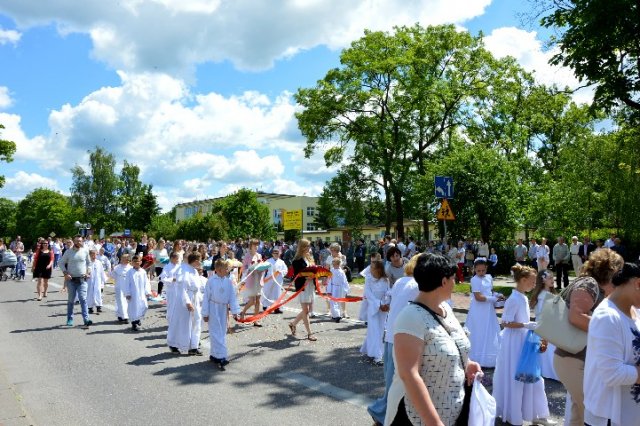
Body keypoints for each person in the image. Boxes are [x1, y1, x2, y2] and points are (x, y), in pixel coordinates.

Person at [385, 253, 482, 425]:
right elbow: (409, 374)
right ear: (444, 281)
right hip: (420, 418)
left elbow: (445, 346)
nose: (455, 283)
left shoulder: (445, 309)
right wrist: (434, 422)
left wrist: (467, 363)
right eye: (453, 278)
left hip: (454, 410)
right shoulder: (410, 318)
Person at [554, 248, 624, 426]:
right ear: (611, 270)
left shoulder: (591, 284)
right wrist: (609, 329)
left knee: (579, 412)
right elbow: (576, 316)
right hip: (573, 359)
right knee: (589, 411)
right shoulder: (589, 284)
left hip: (575, 358)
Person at [492, 264, 555, 425]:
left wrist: (530, 328)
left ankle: (536, 413)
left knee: (534, 375)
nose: (534, 285)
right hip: (514, 342)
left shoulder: (523, 297)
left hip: (524, 339)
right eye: (532, 282)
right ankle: (514, 413)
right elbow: (505, 322)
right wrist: (525, 325)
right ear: (523, 280)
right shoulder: (513, 299)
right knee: (519, 377)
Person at [583, 262, 640, 426]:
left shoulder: (635, 311)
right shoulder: (607, 317)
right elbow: (612, 373)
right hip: (608, 417)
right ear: (638, 283)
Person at [367, 254, 420, 426]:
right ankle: (382, 414)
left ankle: (382, 414)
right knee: (397, 384)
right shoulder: (417, 285)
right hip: (402, 337)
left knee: (392, 381)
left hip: (392, 335)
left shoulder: (401, 281)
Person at [203, 259, 240, 369]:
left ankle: (214, 355)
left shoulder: (228, 281)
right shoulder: (211, 281)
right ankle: (221, 357)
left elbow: (232, 297)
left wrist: (235, 312)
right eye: (226, 269)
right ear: (219, 269)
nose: (228, 270)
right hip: (213, 308)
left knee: (222, 331)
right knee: (215, 332)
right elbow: (206, 298)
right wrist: (205, 313)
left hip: (223, 308)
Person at [466, 258, 503, 368]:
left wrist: (497, 295)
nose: (481, 273)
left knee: (490, 329)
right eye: (478, 271)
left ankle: (490, 356)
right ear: (474, 269)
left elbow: (490, 291)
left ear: (486, 268)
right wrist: (493, 299)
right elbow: (478, 297)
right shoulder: (474, 280)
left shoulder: (489, 277)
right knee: (479, 329)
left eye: (483, 270)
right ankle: (476, 356)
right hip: (478, 309)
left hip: (488, 308)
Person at [168, 253, 204, 355]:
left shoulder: (194, 271)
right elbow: (182, 288)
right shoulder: (184, 270)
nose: (201, 263)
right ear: (195, 261)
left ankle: (193, 346)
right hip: (186, 300)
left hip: (194, 298)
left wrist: (200, 299)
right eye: (200, 260)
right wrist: (187, 302)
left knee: (196, 321)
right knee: (182, 323)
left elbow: (197, 287)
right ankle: (174, 344)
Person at [529, 269, 559, 381]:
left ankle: (550, 371)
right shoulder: (542, 296)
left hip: (550, 324)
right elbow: (542, 313)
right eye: (550, 278)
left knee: (551, 349)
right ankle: (549, 371)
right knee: (548, 349)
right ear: (543, 280)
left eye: (552, 277)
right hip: (545, 325)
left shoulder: (551, 293)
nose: (552, 280)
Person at [360, 260, 390, 365]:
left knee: (380, 331)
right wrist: (379, 304)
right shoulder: (368, 279)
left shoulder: (385, 280)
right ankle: (377, 356)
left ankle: (369, 349)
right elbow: (368, 294)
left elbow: (388, 292)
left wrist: (386, 304)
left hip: (383, 310)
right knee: (374, 331)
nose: (371, 269)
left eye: (373, 268)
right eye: (371, 267)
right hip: (373, 308)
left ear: (379, 269)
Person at [59, 235, 92, 327]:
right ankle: (70, 319)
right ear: (74, 241)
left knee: (83, 299)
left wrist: (88, 272)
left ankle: (86, 319)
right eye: (77, 241)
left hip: (82, 280)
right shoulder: (68, 252)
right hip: (71, 280)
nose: (79, 242)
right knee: (71, 300)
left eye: (80, 241)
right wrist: (65, 273)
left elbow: (89, 263)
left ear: (82, 242)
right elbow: (61, 263)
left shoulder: (85, 251)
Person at [288, 239, 317, 341]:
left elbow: (314, 270)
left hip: (310, 286)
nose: (309, 248)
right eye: (307, 246)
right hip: (302, 287)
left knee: (306, 310)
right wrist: (306, 277)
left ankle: (293, 324)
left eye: (309, 246)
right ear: (302, 247)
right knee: (306, 310)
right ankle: (309, 333)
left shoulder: (310, 258)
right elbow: (297, 275)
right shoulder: (296, 261)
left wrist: (315, 275)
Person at [239, 239, 264, 327]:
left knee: (258, 301)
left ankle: (255, 320)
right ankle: (243, 312)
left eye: (257, 245)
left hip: (258, 279)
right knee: (252, 301)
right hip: (251, 280)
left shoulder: (259, 255)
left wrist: (263, 268)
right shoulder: (247, 255)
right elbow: (244, 268)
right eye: (254, 245)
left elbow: (261, 266)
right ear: (251, 246)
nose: (256, 247)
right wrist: (250, 268)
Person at [125, 255, 151, 331]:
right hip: (133, 294)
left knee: (144, 306)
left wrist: (147, 291)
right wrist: (127, 293)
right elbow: (126, 283)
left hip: (141, 293)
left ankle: (138, 318)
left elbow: (146, 282)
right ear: (132, 262)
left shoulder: (143, 272)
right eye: (135, 261)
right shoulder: (129, 272)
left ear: (141, 262)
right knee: (133, 308)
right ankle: (134, 323)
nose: (136, 263)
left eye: (138, 261)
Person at [261, 246, 287, 314]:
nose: (276, 254)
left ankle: (276, 308)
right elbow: (263, 269)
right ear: (272, 254)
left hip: (278, 280)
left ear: (279, 254)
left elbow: (285, 270)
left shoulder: (282, 262)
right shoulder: (268, 261)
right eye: (274, 253)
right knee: (267, 292)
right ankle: (265, 306)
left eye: (277, 253)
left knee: (277, 293)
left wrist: (280, 272)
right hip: (269, 279)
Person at [327, 257, 349, 322]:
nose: (333, 265)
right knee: (333, 302)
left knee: (338, 302)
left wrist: (346, 289)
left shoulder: (341, 272)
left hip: (340, 288)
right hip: (333, 287)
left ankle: (336, 315)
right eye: (333, 264)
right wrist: (329, 290)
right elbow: (329, 280)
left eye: (334, 264)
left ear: (338, 264)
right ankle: (336, 315)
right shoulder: (332, 271)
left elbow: (344, 281)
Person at [111, 254, 131, 323]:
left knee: (127, 301)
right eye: (124, 258)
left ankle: (123, 315)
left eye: (127, 259)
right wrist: (112, 270)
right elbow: (112, 276)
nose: (125, 260)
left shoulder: (131, 268)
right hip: (119, 286)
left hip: (127, 286)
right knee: (120, 301)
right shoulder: (117, 267)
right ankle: (124, 316)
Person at [86, 249, 107, 315]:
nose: (94, 256)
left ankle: (98, 307)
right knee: (90, 293)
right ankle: (90, 307)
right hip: (89, 280)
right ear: (90, 255)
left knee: (98, 292)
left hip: (97, 280)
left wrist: (104, 279)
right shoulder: (87, 263)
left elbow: (102, 271)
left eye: (95, 254)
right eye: (92, 255)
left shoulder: (98, 262)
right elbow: (84, 271)